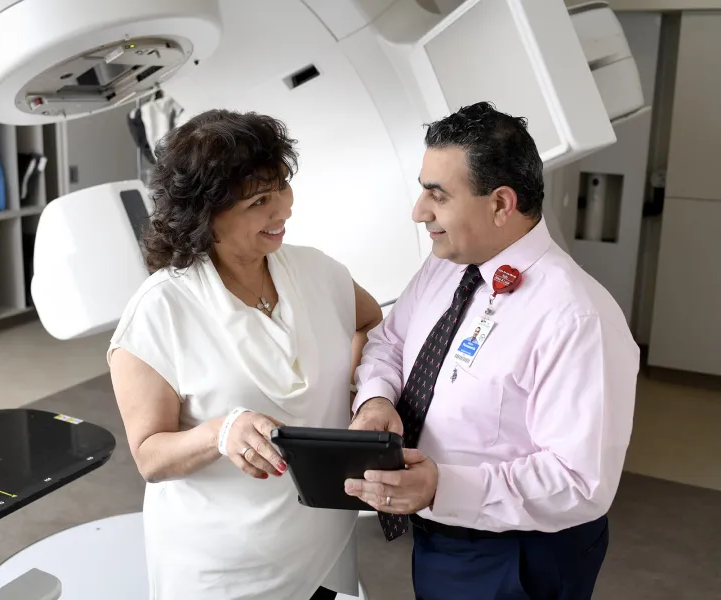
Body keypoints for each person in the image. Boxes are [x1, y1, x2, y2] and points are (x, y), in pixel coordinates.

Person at [345, 102, 639, 600]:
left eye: (436, 196)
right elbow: (390, 342)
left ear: (502, 203)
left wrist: (442, 488)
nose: (419, 212)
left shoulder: (577, 317)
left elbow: (580, 481)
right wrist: (376, 401)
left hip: (518, 554)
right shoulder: (447, 266)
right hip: (440, 533)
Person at [107, 109, 383, 600]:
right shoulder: (160, 311)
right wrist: (220, 431)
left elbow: (370, 323)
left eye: (282, 188)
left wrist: (362, 392)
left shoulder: (318, 273)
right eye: (260, 201)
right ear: (205, 218)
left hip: (319, 550)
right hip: (222, 571)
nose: (283, 210)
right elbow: (150, 455)